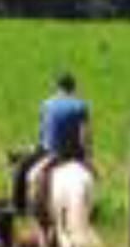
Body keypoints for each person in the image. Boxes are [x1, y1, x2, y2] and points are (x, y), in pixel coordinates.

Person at [11, 72, 92, 218]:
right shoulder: (82, 106)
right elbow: (85, 136)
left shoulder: (46, 104)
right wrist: (88, 158)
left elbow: (43, 132)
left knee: (21, 169)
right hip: (75, 153)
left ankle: (19, 207)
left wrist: (35, 147)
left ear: (57, 87)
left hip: (51, 152)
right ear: (74, 88)